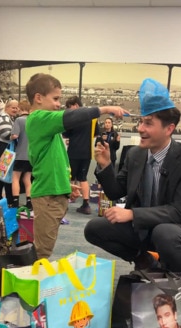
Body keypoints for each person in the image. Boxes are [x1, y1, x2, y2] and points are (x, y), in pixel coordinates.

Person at [84, 78, 181, 276]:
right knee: (93, 228)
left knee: (165, 234)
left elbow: (178, 212)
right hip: (142, 228)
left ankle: (180, 277)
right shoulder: (136, 155)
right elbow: (116, 192)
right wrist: (105, 165)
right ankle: (144, 260)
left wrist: (134, 214)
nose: (140, 128)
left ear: (169, 129)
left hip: (176, 229)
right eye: (140, 121)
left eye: (148, 123)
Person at [25, 73, 129, 259]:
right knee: (42, 252)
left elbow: (53, 162)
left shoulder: (46, 126)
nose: (59, 104)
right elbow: (73, 116)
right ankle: (33, 285)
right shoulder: (38, 118)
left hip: (53, 193)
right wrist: (105, 108)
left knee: (45, 248)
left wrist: (66, 186)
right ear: (38, 98)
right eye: (55, 98)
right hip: (48, 196)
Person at [63, 95, 100, 215]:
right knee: (83, 178)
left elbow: (65, 134)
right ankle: (86, 204)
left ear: (76, 105)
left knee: (70, 177)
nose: (69, 110)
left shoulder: (73, 118)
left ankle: (67, 202)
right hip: (87, 153)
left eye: (69, 107)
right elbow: (95, 135)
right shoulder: (93, 118)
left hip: (73, 151)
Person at [0, 99, 19, 205]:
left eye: (16, 108)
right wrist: (16, 135)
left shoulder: (9, 118)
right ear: (7, 107)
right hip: (2, 148)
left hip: (5, 148)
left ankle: (3, 199)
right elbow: (5, 134)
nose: (15, 109)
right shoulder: (4, 117)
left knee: (4, 175)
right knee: (1, 175)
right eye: (13, 107)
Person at [10, 99, 33, 210]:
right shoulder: (33, 120)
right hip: (31, 156)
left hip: (20, 155)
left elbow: (15, 136)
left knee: (15, 178)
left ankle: (15, 202)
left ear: (21, 108)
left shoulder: (19, 120)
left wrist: (10, 136)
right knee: (27, 179)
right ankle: (29, 202)